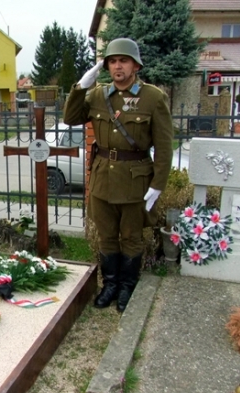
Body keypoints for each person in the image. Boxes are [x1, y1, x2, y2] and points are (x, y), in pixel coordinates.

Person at [63, 38, 173, 312]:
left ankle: (127, 287)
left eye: (124, 60)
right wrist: (81, 86)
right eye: (112, 61)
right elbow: (70, 118)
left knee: (131, 237)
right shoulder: (98, 95)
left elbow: (164, 145)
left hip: (135, 181)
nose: (117, 66)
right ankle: (110, 285)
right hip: (103, 179)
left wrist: (158, 184)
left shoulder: (153, 97)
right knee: (107, 236)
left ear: (136, 65)